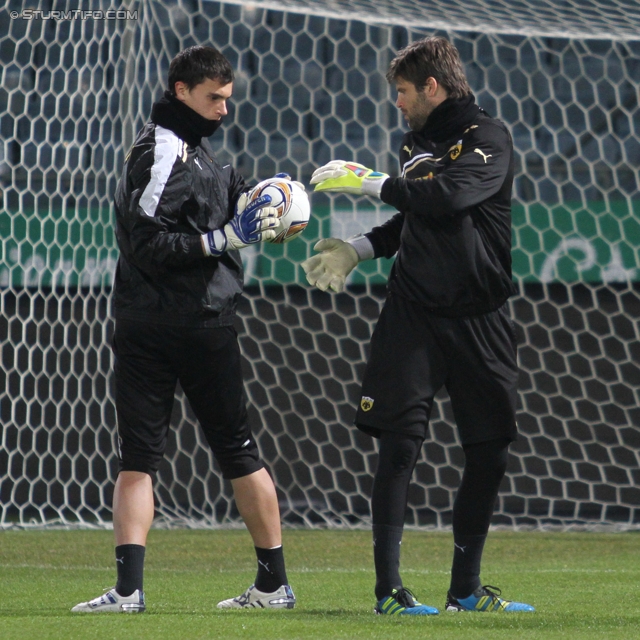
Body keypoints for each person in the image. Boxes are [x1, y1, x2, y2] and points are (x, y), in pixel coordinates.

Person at [303, 36, 534, 616]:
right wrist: (359, 248)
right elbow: (416, 216)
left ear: (432, 86)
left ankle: (464, 592)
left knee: (489, 451)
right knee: (399, 446)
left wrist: (369, 181)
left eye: (403, 92)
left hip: (481, 316)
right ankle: (389, 592)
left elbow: (451, 198)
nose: (398, 104)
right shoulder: (415, 144)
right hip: (413, 313)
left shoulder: (488, 138)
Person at [72, 45, 297, 613]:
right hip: (168, 323)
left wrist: (271, 195)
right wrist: (223, 239)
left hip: (187, 322)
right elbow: (147, 241)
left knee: (214, 453)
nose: (224, 109)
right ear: (180, 91)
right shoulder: (160, 152)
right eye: (213, 98)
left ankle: (255, 587)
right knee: (152, 457)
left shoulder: (197, 154)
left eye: (226, 98)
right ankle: (140, 590)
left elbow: (230, 191)